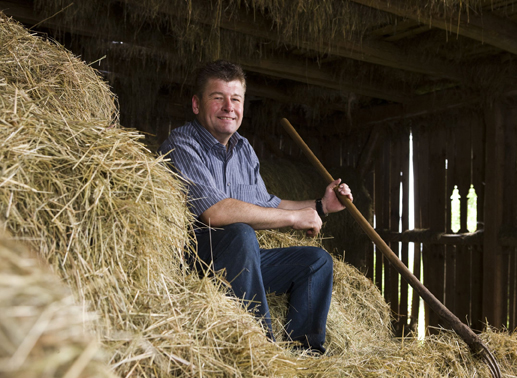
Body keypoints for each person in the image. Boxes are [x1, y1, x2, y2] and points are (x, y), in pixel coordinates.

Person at [158, 60, 353, 354]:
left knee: (317, 262)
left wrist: (320, 205)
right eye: (217, 98)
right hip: (195, 262)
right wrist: (292, 218)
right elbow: (215, 213)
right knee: (240, 233)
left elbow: (267, 203)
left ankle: (307, 354)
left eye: (235, 99)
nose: (228, 107)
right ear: (197, 104)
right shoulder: (182, 144)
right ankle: (263, 351)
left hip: (242, 260)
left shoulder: (244, 149)